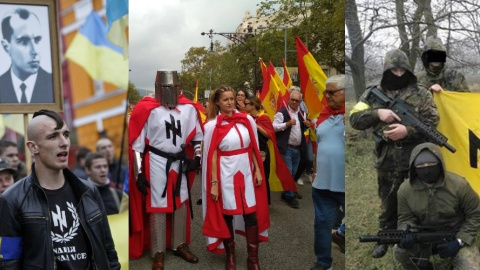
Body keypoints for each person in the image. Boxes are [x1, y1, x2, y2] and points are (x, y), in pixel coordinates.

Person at [0, 109, 119, 269]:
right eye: (53, 136)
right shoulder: (12, 199)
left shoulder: (88, 191)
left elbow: (108, 251)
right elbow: (10, 262)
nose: (64, 142)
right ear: (33, 147)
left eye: (66, 135)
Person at [350, 49, 439, 258]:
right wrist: (377, 113)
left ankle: (416, 236)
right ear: (387, 69)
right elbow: (355, 119)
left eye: (401, 69)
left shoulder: (421, 93)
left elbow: (432, 122)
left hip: (415, 158)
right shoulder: (372, 92)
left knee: (418, 198)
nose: (398, 73)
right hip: (386, 159)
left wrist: (407, 131)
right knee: (387, 200)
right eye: (394, 69)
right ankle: (385, 237)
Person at [129, 70, 203, 269]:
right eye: (165, 87)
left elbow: (197, 137)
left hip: (179, 162)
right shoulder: (148, 109)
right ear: (158, 89)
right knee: (158, 205)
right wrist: (139, 173)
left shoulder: (189, 109)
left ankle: (179, 244)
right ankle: (158, 250)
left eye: (173, 87)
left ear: (179, 87)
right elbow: (137, 145)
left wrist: (197, 157)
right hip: (156, 161)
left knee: (181, 203)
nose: (169, 91)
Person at [202, 85, 269, 270]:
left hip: (246, 172)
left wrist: (257, 170)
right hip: (225, 174)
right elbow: (212, 156)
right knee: (227, 214)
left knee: (251, 214)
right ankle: (230, 255)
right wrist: (214, 183)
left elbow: (253, 147)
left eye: (232, 99)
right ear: (217, 102)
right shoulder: (211, 126)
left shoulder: (246, 119)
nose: (230, 102)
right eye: (226, 100)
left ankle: (253, 258)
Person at [394, 142, 480, 269]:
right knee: (399, 251)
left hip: (455, 235)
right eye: (421, 165)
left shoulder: (459, 185)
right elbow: (405, 218)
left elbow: (476, 213)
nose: (427, 169)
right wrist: (407, 231)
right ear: (414, 168)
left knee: (470, 266)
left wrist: (460, 240)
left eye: (431, 164)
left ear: (440, 164)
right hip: (422, 237)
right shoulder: (405, 190)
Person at [310, 74, 346, 270]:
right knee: (322, 226)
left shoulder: (355, 117)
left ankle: (341, 234)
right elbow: (319, 148)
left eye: (332, 92)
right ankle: (324, 263)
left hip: (346, 185)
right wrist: (315, 173)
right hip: (322, 185)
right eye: (326, 92)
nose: (327, 96)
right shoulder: (321, 118)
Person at [0, 8, 53, 103]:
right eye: (24, 41)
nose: (34, 51)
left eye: (37, 40)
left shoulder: (52, 84)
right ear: (6, 46)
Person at [273, 87, 311, 209]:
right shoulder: (282, 113)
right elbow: (273, 127)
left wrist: (307, 125)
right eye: (292, 100)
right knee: (289, 172)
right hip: (286, 147)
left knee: (294, 171)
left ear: (300, 102)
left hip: (298, 148)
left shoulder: (302, 113)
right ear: (289, 100)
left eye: (297, 100)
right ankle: (289, 195)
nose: (294, 102)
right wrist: (286, 124)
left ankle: (288, 191)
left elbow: (301, 130)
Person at [244, 95, 274, 204]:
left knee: (263, 177)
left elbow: (269, 135)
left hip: (262, 152)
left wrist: (256, 126)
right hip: (250, 152)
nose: (244, 105)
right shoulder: (247, 117)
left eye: (246, 103)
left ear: (252, 106)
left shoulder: (264, 117)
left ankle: (265, 202)